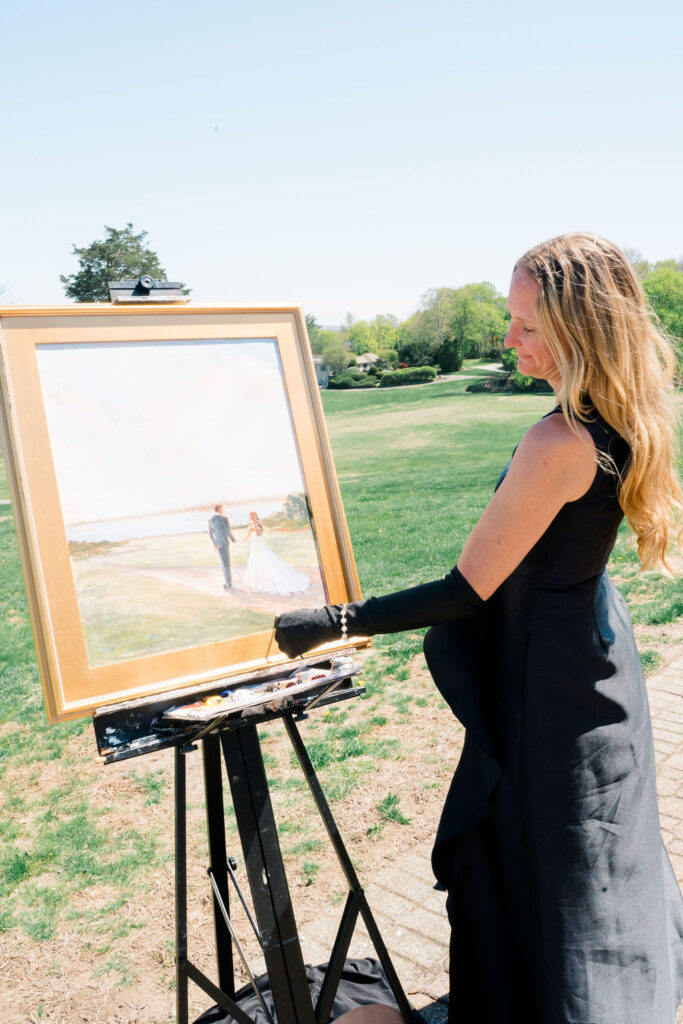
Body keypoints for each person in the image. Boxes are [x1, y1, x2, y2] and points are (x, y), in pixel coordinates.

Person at [274, 233, 683, 1023]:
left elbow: (466, 591)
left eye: (525, 324)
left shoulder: (558, 440)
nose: (508, 340)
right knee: (590, 853)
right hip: (592, 656)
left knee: (553, 855)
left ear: (579, 327)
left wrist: (335, 622)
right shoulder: (622, 415)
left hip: (550, 681)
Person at [243, 511, 310, 595]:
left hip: (256, 546)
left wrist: (241, 542)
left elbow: (247, 537)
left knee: (258, 562)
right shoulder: (257, 525)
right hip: (258, 544)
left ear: (251, 517)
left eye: (250, 516)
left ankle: (258, 582)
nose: (249, 518)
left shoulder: (251, 527)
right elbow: (259, 534)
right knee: (260, 562)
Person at [208, 503, 237, 589]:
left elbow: (210, 534)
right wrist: (233, 539)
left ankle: (227, 584)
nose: (222, 510)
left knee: (223, 565)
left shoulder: (211, 520)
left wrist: (215, 545)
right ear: (219, 510)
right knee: (227, 564)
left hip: (218, 545)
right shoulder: (224, 519)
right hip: (225, 543)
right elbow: (227, 531)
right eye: (222, 509)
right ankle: (229, 584)